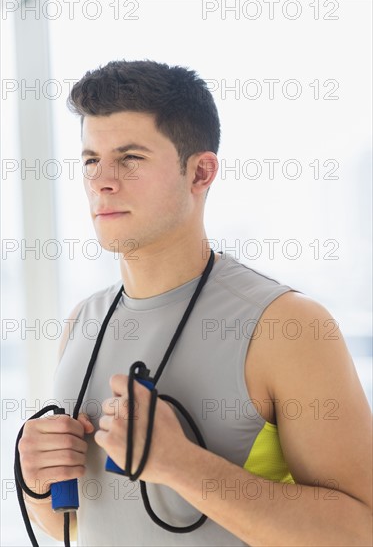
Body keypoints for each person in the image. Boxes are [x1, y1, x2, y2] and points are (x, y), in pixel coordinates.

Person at [18, 59, 372, 547]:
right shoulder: (83, 322)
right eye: (90, 160)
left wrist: (184, 466)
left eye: (130, 158)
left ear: (200, 172)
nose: (102, 181)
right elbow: (81, 525)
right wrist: (39, 486)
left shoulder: (288, 325)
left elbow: (359, 531)